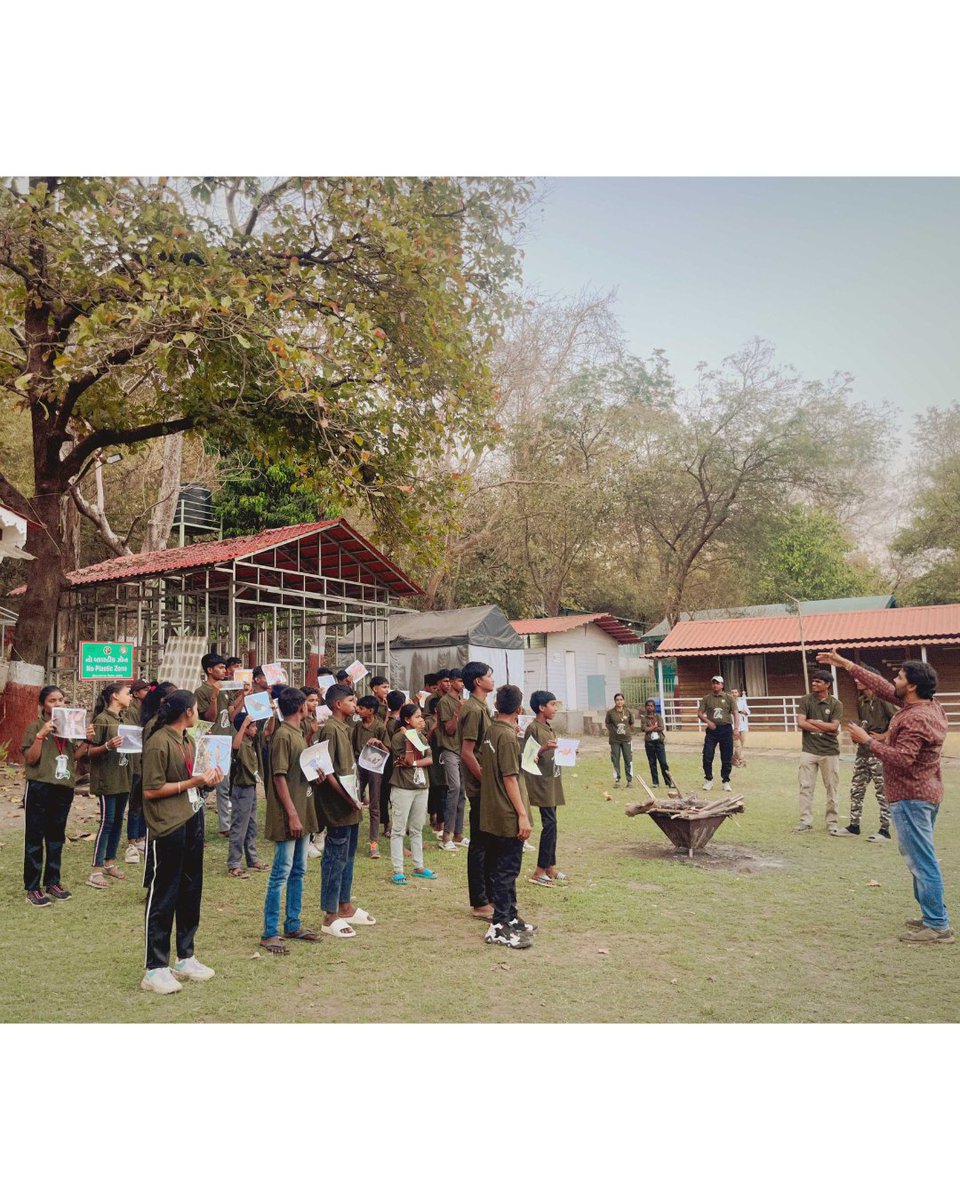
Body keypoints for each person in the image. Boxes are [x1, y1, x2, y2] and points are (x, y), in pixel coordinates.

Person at [817, 648, 952, 944]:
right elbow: (882, 686)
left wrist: (867, 741)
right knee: (920, 858)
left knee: (922, 860)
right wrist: (845, 663)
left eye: (900, 676)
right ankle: (932, 915)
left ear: (912, 686)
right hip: (925, 793)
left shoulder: (915, 719)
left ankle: (938, 925)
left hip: (911, 797)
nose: (895, 679)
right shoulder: (928, 706)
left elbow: (903, 759)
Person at [141, 690, 223, 994]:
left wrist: (208, 781)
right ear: (187, 712)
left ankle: (185, 956)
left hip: (192, 817)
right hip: (167, 825)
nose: (199, 711)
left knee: (191, 889)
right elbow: (151, 790)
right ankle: (155, 968)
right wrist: (193, 782)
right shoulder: (159, 742)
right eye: (196, 708)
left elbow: (197, 778)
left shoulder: (188, 740)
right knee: (164, 893)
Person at [259, 688, 321, 954]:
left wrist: (314, 774)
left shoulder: (298, 734)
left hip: (303, 808)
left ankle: (293, 923)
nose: (311, 706)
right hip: (290, 813)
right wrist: (293, 813)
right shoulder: (283, 735)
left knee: (299, 870)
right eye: (308, 703)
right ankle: (269, 931)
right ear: (299, 707)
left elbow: (296, 771)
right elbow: (278, 777)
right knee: (281, 872)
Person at [315, 684, 377, 937]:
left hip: (351, 802)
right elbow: (327, 770)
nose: (355, 704)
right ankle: (330, 915)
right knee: (335, 857)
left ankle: (345, 906)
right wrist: (348, 799)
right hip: (339, 805)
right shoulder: (330, 729)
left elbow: (348, 764)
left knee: (348, 856)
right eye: (351, 700)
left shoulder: (345, 728)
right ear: (338, 705)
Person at [479, 684, 536, 949]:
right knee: (506, 870)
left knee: (504, 868)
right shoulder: (507, 736)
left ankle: (511, 917)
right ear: (519, 709)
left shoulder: (492, 730)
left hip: (493, 810)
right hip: (507, 813)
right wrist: (522, 815)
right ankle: (498, 925)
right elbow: (510, 778)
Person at [21, 684, 88, 905]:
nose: (58, 704)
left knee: (56, 836)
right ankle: (32, 888)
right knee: (34, 837)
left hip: (63, 787)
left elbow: (73, 757)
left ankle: (53, 881)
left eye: (61, 700)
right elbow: (30, 760)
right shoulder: (35, 727)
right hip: (40, 786)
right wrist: (40, 736)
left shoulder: (68, 728)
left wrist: (85, 741)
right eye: (52, 700)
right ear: (42, 705)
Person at [832, 678, 897, 840]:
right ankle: (854, 826)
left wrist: (883, 736)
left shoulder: (883, 701)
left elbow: (898, 722)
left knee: (882, 791)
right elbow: (865, 724)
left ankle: (885, 830)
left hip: (879, 753)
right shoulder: (861, 701)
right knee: (856, 789)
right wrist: (858, 734)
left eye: (860, 678)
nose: (856, 680)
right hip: (863, 752)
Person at [195, 652, 249, 836]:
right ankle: (198, 825)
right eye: (220, 667)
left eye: (225, 667)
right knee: (204, 786)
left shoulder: (226, 689)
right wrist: (213, 697)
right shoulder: (201, 691)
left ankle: (224, 826)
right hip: (210, 741)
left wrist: (243, 695)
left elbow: (232, 716)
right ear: (209, 670)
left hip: (226, 740)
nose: (224, 671)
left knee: (224, 786)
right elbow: (209, 718)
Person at [87, 681, 134, 890]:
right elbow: (88, 752)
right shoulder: (102, 720)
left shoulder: (123, 719)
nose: (130, 696)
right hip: (107, 780)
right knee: (106, 822)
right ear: (115, 696)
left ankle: (109, 862)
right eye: (127, 693)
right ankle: (95, 871)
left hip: (123, 777)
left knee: (117, 822)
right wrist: (107, 746)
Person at [458, 661, 496, 920]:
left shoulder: (483, 707)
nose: (492, 679)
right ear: (477, 681)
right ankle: (480, 902)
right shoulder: (472, 709)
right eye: (488, 676)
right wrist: (485, 781)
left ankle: (490, 896)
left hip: (488, 784)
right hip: (480, 787)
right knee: (480, 844)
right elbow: (467, 752)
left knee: (490, 843)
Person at [387, 703, 438, 884]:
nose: (421, 720)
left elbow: (429, 759)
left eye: (421, 717)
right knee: (398, 829)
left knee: (417, 828)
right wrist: (409, 739)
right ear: (407, 720)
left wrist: (415, 764)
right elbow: (407, 758)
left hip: (421, 786)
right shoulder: (398, 738)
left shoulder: (422, 737)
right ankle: (398, 870)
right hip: (403, 786)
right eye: (417, 717)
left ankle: (419, 866)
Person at [524, 690, 567, 887]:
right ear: (541, 708)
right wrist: (543, 749)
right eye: (552, 704)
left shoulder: (548, 727)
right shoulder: (533, 728)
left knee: (554, 823)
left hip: (553, 779)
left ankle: (549, 866)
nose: (555, 708)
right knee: (549, 824)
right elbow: (528, 755)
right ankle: (539, 870)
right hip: (541, 782)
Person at [795, 669, 843, 833]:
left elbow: (835, 726)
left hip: (829, 752)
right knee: (805, 787)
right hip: (808, 750)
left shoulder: (836, 704)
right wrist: (825, 727)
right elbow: (801, 723)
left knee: (831, 788)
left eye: (818, 681)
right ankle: (805, 822)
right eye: (813, 681)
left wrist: (813, 721)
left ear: (827, 684)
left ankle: (832, 822)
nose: (814, 684)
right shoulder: (806, 700)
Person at [227, 712, 268, 877]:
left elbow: (267, 731)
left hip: (251, 787)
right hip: (241, 789)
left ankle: (252, 858)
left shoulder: (252, 741)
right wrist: (244, 724)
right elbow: (235, 747)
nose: (255, 728)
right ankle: (234, 864)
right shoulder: (240, 743)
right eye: (252, 726)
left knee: (251, 825)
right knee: (239, 826)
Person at [353, 694, 388, 857]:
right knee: (354, 801)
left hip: (375, 767)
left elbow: (388, 751)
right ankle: (351, 838)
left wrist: (379, 743)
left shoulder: (380, 727)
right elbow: (353, 747)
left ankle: (374, 843)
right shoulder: (357, 727)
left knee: (375, 804)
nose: (357, 710)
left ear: (371, 711)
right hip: (360, 767)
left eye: (361, 708)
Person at [435, 668, 466, 849]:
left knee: (461, 792)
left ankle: (458, 834)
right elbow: (450, 730)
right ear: (453, 681)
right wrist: (457, 712)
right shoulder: (445, 702)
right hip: (449, 750)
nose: (462, 685)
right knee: (454, 788)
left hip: (462, 751)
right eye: (459, 681)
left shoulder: (462, 700)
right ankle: (446, 835)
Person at [123, 679, 151, 862]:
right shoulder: (132, 711)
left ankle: (141, 836)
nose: (147, 692)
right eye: (144, 689)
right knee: (134, 803)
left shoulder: (144, 709)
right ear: (135, 693)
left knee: (143, 802)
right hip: (135, 759)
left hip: (144, 759)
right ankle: (132, 838)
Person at [697, 675, 737, 792]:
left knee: (726, 756)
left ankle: (726, 780)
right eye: (713, 683)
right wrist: (708, 722)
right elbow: (699, 713)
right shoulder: (707, 698)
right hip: (712, 731)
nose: (715, 685)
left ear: (722, 685)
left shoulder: (729, 698)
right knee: (707, 755)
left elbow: (735, 713)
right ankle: (708, 779)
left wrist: (736, 728)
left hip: (726, 729)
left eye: (717, 683)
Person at [640, 698, 674, 788]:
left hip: (659, 742)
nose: (650, 707)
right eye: (648, 706)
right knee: (652, 763)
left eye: (651, 706)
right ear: (645, 707)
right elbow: (644, 729)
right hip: (649, 743)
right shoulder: (644, 718)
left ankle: (669, 782)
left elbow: (661, 727)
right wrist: (654, 727)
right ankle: (655, 782)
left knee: (663, 762)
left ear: (654, 707)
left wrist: (651, 728)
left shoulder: (658, 716)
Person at [604, 694, 635, 788]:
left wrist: (627, 731)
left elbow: (632, 723)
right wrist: (613, 730)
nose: (619, 701)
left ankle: (629, 781)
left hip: (626, 739)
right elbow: (607, 723)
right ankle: (617, 780)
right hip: (614, 740)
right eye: (617, 700)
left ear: (624, 701)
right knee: (615, 759)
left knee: (628, 759)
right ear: (615, 701)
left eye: (621, 699)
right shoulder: (610, 713)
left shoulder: (628, 712)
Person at [730, 687, 751, 768]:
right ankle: (742, 761)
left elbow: (748, 711)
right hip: (733, 727)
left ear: (738, 694)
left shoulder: (742, 702)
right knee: (737, 745)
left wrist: (745, 712)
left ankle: (733, 759)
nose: (734, 694)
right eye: (732, 692)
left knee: (741, 744)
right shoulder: (728, 703)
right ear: (730, 694)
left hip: (742, 726)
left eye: (735, 692)